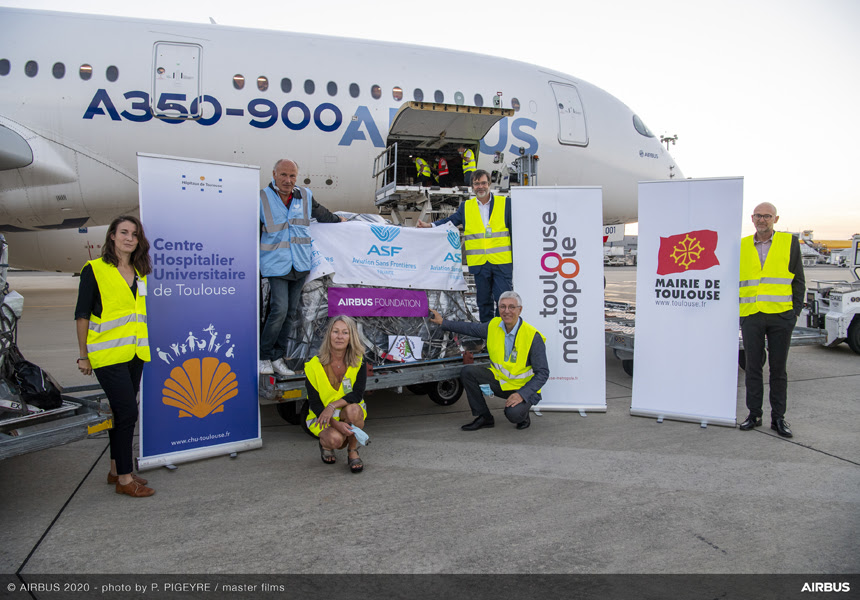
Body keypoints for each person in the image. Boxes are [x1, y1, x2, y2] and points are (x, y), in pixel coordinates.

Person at [75, 216, 154, 498]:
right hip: (107, 355)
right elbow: (82, 314)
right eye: (123, 232)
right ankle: (124, 479)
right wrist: (83, 355)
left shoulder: (139, 271)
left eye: (134, 234)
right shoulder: (94, 270)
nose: (129, 238)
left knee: (122, 412)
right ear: (112, 236)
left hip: (134, 352)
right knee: (128, 413)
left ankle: (115, 470)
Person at [260, 159, 345, 376]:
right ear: (274, 174)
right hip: (276, 264)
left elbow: (321, 213)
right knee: (278, 310)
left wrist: (339, 220)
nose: (288, 180)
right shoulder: (262, 198)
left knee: (289, 312)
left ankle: (278, 357)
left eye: (292, 176)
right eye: (283, 175)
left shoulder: (304, 195)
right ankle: (263, 355)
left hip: (299, 263)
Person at [429, 291, 548, 431]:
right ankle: (484, 417)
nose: (506, 311)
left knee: (514, 415)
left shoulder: (532, 336)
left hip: (522, 388)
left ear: (519, 310)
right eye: (503, 307)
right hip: (501, 383)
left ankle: (523, 414)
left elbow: (543, 373)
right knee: (468, 372)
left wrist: (522, 395)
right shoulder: (494, 326)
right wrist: (444, 322)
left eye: (511, 307)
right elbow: (470, 328)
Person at [738, 202, 805, 438]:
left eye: (767, 216)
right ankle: (754, 415)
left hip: (780, 317)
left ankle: (778, 419)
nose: (762, 220)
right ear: (752, 218)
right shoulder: (743, 245)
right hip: (752, 315)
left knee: (778, 370)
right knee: (753, 368)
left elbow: (798, 281)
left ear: (776, 219)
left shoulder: (790, 243)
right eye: (758, 216)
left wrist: (793, 314)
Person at [416, 169, 512, 322]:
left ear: (489, 184)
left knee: (504, 302)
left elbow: (514, 232)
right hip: (480, 264)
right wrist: (431, 225)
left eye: (483, 183)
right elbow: (451, 221)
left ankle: (503, 337)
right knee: (483, 304)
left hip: (501, 262)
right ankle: (488, 337)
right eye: (476, 184)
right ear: (472, 186)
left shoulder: (505, 203)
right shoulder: (466, 207)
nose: (480, 187)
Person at [304, 316, 368, 473]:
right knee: (336, 440)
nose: (340, 337)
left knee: (354, 409)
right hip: (322, 416)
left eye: (345, 332)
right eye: (336, 331)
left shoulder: (359, 361)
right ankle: (325, 445)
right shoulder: (313, 366)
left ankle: (352, 451)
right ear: (329, 335)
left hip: (347, 411)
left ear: (351, 336)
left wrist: (332, 406)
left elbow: (357, 395)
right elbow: (315, 404)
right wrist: (335, 423)